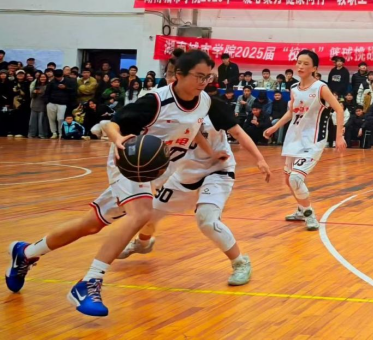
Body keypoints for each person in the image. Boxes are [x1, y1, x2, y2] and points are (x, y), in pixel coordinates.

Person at [5, 50, 219, 317]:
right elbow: (111, 125)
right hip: (129, 163)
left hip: (155, 173)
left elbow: (193, 129)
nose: (204, 82)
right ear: (179, 75)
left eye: (208, 77)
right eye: (199, 76)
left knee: (90, 224)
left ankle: (26, 253)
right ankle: (89, 282)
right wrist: (118, 140)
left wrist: (211, 154)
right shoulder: (155, 101)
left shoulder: (204, 100)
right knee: (141, 213)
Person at [118, 88, 271, 287]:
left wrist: (260, 159)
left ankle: (240, 262)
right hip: (185, 171)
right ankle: (143, 243)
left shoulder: (214, 106)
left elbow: (238, 133)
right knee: (148, 215)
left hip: (218, 169)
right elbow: (195, 133)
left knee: (206, 219)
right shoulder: (171, 108)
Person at [263, 50, 346, 232]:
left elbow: (339, 109)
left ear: (314, 68)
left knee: (295, 178)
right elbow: (291, 112)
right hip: (294, 138)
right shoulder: (294, 88)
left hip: (313, 140)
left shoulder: (320, 88)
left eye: (305, 63)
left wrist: (339, 135)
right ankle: (301, 210)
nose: (300, 66)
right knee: (288, 180)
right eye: (299, 62)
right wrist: (275, 127)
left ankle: (309, 214)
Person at [45, 69, 76, 139]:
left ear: (62, 75)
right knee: (51, 119)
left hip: (63, 103)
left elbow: (73, 90)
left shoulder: (69, 81)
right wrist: (47, 101)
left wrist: (65, 88)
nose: (58, 78)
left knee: (60, 119)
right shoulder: (52, 82)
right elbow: (47, 92)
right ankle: (54, 132)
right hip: (52, 103)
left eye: (59, 77)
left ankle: (61, 133)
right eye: (57, 77)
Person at [29, 74, 49, 139]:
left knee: (41, 121)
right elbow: (31, 96)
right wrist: (34, 92)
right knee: (33, 121)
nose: (42, 78)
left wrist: (42, 93)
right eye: (41, 77)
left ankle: (42, 134)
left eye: (44, 77)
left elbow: (48, 96)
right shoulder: (36, 85)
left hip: (43, 105)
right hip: (34, 104)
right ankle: (32, 134)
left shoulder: (48, 86)